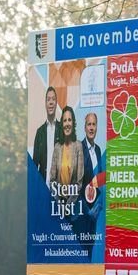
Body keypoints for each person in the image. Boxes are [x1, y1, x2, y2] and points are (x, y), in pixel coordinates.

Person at [74, 112, 103, 257]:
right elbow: (76, 185)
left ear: (97, 127)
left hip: (94, 214)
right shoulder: (78, 148)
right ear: (84, 128)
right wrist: (87, 211)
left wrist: (98, 205)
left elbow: (99, 180)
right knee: (81, 252)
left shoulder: (98, 150)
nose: (91, 128)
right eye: (89, 124)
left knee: (90, 252)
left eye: (94, 124)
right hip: (82, 213)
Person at [48, 106, 84, 206]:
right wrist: (60, 204)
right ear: (62, 124)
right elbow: (52, 181)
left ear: (73, 123)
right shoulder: (57, 147)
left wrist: (68, 206)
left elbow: (79, 183)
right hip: (58, 205)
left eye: (69, 120)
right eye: (64, 120)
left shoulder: (78, 146)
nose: (67, 124)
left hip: (74, 205)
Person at [33, 86, 61, 185]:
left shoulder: (62, 130)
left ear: (56, 103)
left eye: (53, 99)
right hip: (43, 186)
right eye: (48, 99)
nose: (51, 102)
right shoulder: (39, 132)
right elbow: (35, 165)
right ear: (45, 104)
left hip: (60, 188)